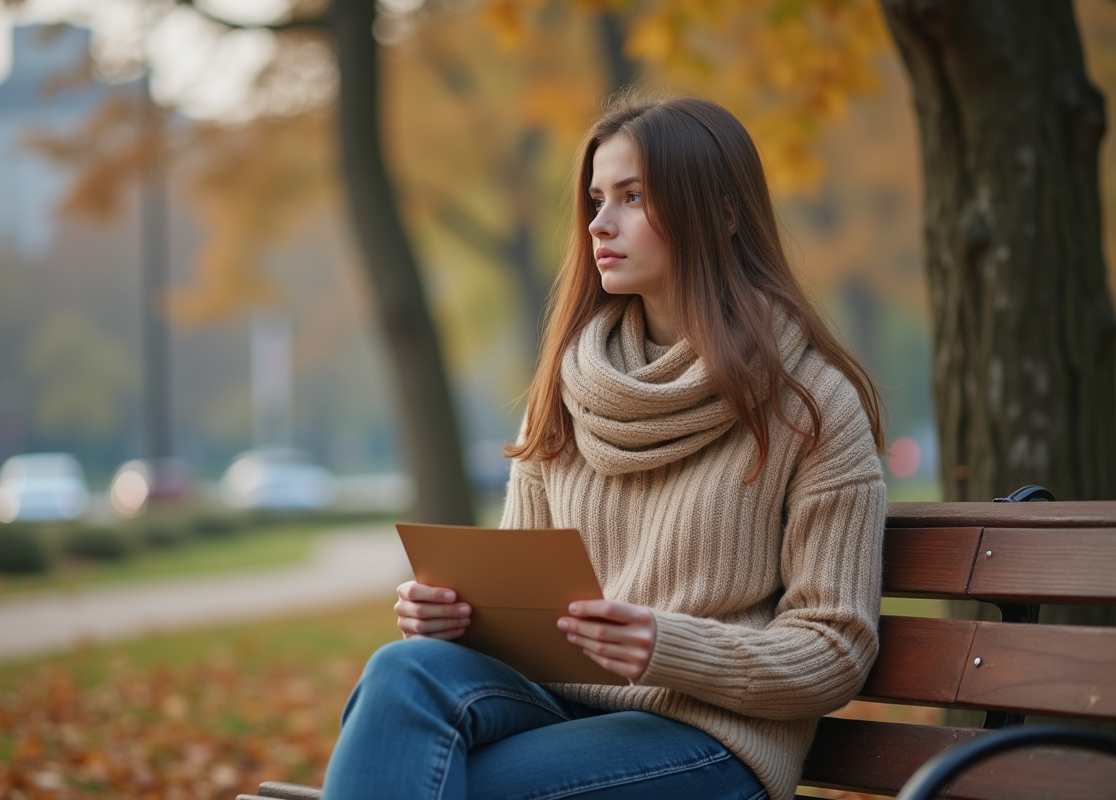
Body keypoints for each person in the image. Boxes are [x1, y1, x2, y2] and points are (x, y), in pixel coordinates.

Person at [321, 94, 887, 800]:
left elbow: (836, 651)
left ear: (723, 213)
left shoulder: (811, 404)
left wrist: (669, 647)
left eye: (632, 196)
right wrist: (457, 620)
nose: (599, 223)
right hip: (557, 704)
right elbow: (520, 610)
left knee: (437, 781)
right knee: (404, 672)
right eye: (595, 199)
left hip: (711, 739)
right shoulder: (568, 389)